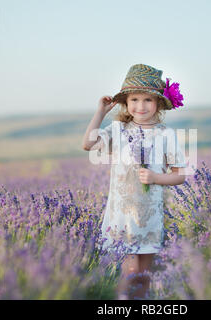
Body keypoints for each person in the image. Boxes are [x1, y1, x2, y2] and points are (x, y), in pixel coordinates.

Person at [82, 63, 186, 299]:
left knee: (143, 275)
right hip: (123, 216)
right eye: (135, 99)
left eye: (148, 100)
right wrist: (101, 112)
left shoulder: (166, 135)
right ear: (126, 103)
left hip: (150, 217)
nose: (141, 106)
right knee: (130, 271)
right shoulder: (117, 130)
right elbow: (88, 144)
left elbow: (180, 174)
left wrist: (157, 177)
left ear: (158, 104)